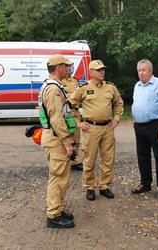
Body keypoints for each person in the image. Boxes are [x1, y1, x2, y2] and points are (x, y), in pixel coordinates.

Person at [70, 59, 124, 201]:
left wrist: (116, 119)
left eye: (103, 69)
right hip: (90, 128)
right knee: (89, 159)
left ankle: (104, 186)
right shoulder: (83, 88)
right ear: (91, 72)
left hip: (107, 128)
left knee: (108, 159)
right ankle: (90, 186)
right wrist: (78, 123)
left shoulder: (110, 87)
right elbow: (71, 106)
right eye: (99, 70)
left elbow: (119, 103)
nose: (102, 72)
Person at [40, 54, 75, 229]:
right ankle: (53, 215)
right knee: (58, 177)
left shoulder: (53, 85)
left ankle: (57, 209)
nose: (68, 68)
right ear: (58, 67)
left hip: (54, 138)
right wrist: (68, 142)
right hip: (57, 140)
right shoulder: (53, 89)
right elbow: (57, 119)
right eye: (66, 66)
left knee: (60, 176)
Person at [131, 59, 158, 199]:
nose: (141, 73)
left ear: (150, 71)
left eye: (144, 70)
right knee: (142, 156)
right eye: (139, 70)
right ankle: (145, 183)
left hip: (155, 125)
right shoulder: (137, 85)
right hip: (139, 126)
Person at [63, 72, 83, 171]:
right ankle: (65, 160)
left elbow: (79, 94)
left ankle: (74, 161)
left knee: (76, 138)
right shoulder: (59, 81)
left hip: (75, 113)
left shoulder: (75, 81)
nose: (69, 68)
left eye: (70, 66)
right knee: (66, 137)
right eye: (67, 66)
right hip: (66, 114)